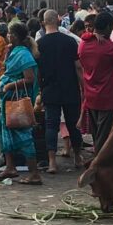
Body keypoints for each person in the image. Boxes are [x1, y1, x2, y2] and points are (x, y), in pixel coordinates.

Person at [0, 21, 42, 184]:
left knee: (23, 135)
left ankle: (34, 173)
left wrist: (9, 85)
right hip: (7, 101)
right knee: (3, 130)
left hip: (16, 100)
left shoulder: (24, 55)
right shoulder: (14, 51)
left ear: (15, 36)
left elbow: (29, 79)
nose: (7, 36)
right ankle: (10, 167)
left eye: (9, 34)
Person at [37, 9, 84, 172]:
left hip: (50, 89)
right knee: (73, 125)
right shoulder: (70, 42)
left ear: (43, 23)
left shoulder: (40, 44)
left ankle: (52, 162)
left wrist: (40, 91)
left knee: (51, 125)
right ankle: (78, 157)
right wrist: (83, 88)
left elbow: (38, 71)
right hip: (70, 89)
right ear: (58, 21)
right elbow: (78, 67)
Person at [78, 12, 113, 153]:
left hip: (91, 96)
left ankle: (99, 164)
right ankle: (99, 167)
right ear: (108, 26)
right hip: (108, 98)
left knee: (97, 136)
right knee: (104, 138)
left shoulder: (83, 45)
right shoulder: (111, 48)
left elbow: (84, 38)